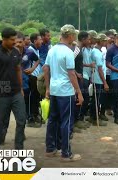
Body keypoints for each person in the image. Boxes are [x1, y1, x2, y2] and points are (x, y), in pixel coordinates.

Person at [44, 24, 83, 162]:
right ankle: (66, 153)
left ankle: (50, 148)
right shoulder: (68, 52)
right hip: (66, 92)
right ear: (71, 36)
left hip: (54, 90)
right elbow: (72, 73)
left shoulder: (52, 50)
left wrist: (48, 88)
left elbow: (46, 69)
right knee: (66, 121)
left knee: (53, 120)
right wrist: (79, 92)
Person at [0, 28, 26, 160]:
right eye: (12, 40)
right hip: (1, 91)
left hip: (15, 92)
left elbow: (18, 69)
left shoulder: (16, 52)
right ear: (4, 39)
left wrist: (20, 88)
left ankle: (19, 150)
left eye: (15, 39)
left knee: (21, 120)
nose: (15, 42)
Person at [88, 33, 110, 126]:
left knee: (95, 99)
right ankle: (94, 118)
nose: (106, 42)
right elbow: (100, 69)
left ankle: (92, 116)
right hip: (98, 79)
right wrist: (105, 83)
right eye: (104, 40)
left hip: (97, 78)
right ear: (100, 41)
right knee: (97, 100)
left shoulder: (96, 51)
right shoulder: (97, 53)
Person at [26, 33, 43, 127]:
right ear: (35, 41)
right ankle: (30, 119)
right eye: (40, 39)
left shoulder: (36, 50)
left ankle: (35, 115)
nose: (41, 41)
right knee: (31, 98)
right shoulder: (30, 51)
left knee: (36, 97)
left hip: (36, 77)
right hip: (31, 77)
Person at [80, 30, 97, 121]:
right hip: (83, 75)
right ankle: (80, 117)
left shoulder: (90, 49)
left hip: (88, 75)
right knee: (84, 97)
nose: (89, 41)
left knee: (87, 97)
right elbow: (79, 64)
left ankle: (82, 116)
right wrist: (89, 65)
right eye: (88, 39)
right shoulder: (81, 49)